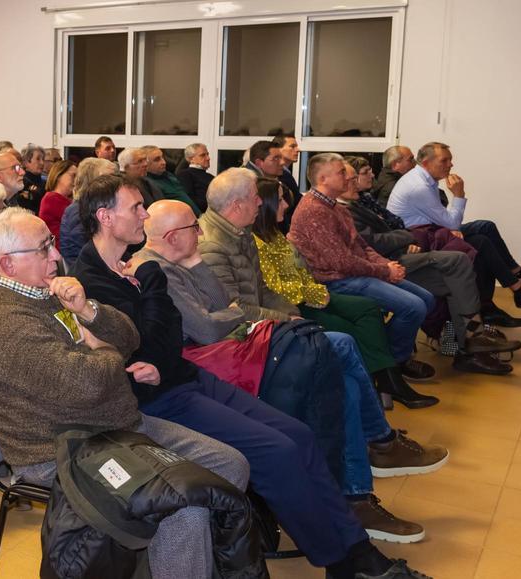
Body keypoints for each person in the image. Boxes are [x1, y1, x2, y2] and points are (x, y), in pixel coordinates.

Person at [75, 176, 445, 551]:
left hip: (188, 374)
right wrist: (154, 304)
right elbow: (170, 338)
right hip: (165, 393)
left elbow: (169, 335)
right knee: (282, 445)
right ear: (106, 217)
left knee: (301, 431)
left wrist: (171, 293)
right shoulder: (101, 279)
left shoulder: (132, 269)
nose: (144, 213)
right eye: (135, 207)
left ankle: (354, 530)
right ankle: (343, 550)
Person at [0, 209, 249, 579]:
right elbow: (88, 382)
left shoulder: (43, 291)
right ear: (8, 263)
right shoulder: (1, 321)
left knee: (231, 464)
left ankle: (188, 565)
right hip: (61, 450)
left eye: (51, 243)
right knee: (185, 508)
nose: (56, 256)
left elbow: (130, 338)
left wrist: (87, 310)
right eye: (43, 249)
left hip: (114, 426)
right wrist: (103, 351)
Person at [249, 176, 462, 405]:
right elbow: (277, 287)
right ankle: (387, 378)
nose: (286, 205)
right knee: (397, 311)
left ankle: (387, 375)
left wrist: (383, 267)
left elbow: (358, 247)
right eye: (280, 200)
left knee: (373, 309)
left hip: (323, 287)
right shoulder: (271, 234)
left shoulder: (278, 233)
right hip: (303, 299)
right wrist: (379, 271)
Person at [339, 160, 519, 374]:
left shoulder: (363, 200)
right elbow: (375, 240)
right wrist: (407, 237)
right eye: (361, 174)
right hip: (386, 262)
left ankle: (471, 344)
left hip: (404, 251)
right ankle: (474, 336)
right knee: (465, 257)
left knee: (465, 264)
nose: (450, 164)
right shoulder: (347, 208)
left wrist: (406, 237)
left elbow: (393, 225)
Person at [289, 153, 438, 382]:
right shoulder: (313, 210)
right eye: (341, 173)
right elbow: (341, 262)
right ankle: (394, 365)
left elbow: (361, 245)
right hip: (334, 280)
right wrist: (384, 271)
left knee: (426, 299)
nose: (350, 179)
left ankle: (383, 357)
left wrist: (384, 264)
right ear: (323, 179)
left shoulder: (336, 207)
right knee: (414, 307)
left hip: (354, 273)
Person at [386, 142, 521, 309]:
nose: (451, 164)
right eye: (444, 160)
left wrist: (451, 228)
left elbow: (446, 222)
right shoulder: (419, 186)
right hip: (418, 240)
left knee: (484, 232)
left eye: (450, 160)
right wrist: (459, 195)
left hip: (430, 231)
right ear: (427, 163)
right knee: (482, 237)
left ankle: (513, 286)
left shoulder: (423, 179)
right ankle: (514, 288)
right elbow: (451, 222)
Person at [57, 157, 115, 263]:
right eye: (108, 178)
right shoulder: (77, 211)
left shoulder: (95, 206)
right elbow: (90, 252)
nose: (116, 183)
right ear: (92, 181)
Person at [142, 146, 200, 215]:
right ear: (146, 164)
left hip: (196, 216)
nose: (163, 162)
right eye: (157, 160)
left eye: (162, 157)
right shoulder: (149, 184)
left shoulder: (169, 175)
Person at [38, 160, 75, 242]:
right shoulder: (52, 199)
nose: (76, 180)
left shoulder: (63, 199)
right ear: (58, 175)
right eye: (73, 175)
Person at [176, 143, 213, 212]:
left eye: (207, 154)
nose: (208, 158)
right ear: (191, 159)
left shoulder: (210, 177)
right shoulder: (185, 175)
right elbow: (189, 201)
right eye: (203, 155)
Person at [17, 144, 46, 214]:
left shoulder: (46, 182)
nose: (42, 163)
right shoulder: (21, 183)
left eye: (43, 159)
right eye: (38, 159)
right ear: (25, 162)